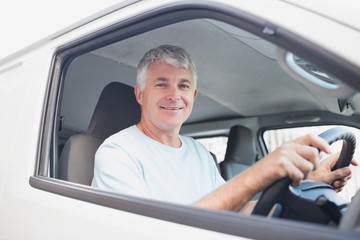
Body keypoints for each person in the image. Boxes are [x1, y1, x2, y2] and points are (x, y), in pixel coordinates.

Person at [92, 45, 357, 212]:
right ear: (140, 94)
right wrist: (259, 173)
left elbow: (234, 209)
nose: (175, 95)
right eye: (161, 84)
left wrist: (310, 183)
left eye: (183, 85)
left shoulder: (198, 152)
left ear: (193, 96)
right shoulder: (117, 152)